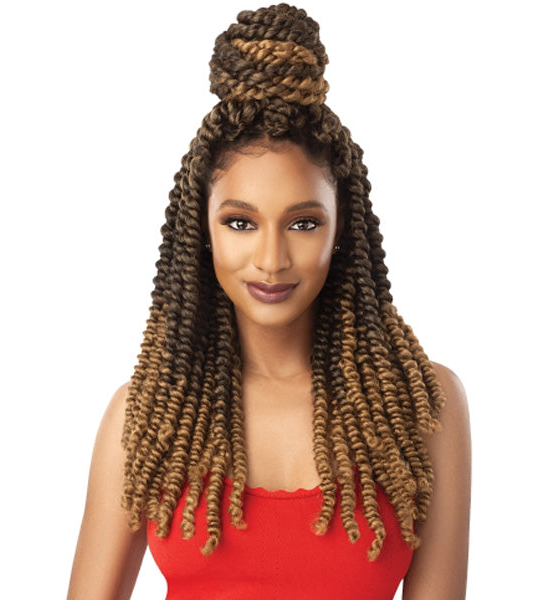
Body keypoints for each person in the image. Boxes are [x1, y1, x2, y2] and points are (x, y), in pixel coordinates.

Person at [67, 3, 471, 599]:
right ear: (201, 230)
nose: (272, 259)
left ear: (342, 228)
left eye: (304, 224)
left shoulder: (422, 408)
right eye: (241, 223)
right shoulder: (147, 414)